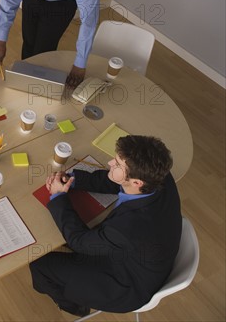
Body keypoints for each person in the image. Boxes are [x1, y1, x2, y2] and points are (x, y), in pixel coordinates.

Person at [30, 135, 182, 317]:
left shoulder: (127, 227)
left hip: (126, 285)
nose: (110, 163)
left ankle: (76, 307)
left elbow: (79, 242)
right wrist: (73, 180)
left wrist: (58, 197)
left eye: (117, 164)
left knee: (40, 265)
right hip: (143, 255)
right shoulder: (157, 175)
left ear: (136, 183)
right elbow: (117, 181)